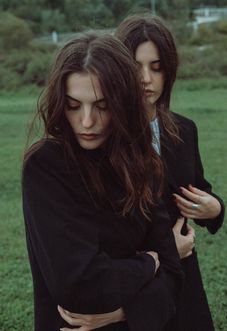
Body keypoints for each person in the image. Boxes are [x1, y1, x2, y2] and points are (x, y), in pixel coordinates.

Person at [57, 15, 225, 331]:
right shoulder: (99, 139)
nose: (146, 78)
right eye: (136, 66)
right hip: (131, 284)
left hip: (184, 283)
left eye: (157, 67)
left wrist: (215, 209)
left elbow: (197, 190)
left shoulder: (185, 130)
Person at [22, 33, 184, 331]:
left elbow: (173, 273)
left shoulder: (143, 161)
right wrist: (147, 264)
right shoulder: (46, 165)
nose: (86, 121)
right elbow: (80, 285)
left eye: (102, 105)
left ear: (124, 103)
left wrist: (122, 312)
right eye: (73, 105)